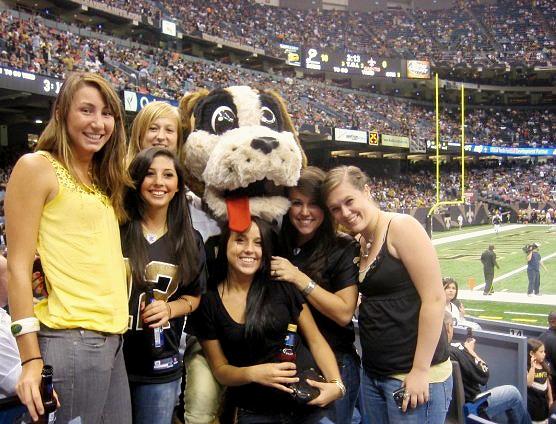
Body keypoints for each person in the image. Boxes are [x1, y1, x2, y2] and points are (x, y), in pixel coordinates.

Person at [5, 72, 132, 423]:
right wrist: (30, 359)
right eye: (86, 110)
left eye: (107, 113)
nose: (98, 122)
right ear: (61, 112)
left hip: (111, 341)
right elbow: (16, 266)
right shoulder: (38, 167)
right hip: (70, 340)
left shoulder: (100, 179)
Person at [323, 165, 452, 423]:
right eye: (335, 209)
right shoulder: (361, 241)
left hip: (411, 376)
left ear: (367, 191)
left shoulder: (402, 227)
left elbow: (435, 299)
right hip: (374, 375)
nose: (345, 213)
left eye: (349, 201)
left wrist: (419, 370)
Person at [186, 217, 345, 423]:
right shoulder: (208, 302)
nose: (249, 249)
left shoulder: (281, 286)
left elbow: (315, 340)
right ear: (225, 243)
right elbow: (220, 370)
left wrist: (337, 385)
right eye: (240, 240)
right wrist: (253, 373)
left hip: (307, 403)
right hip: (254, 409)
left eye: (258, 243)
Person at [121, 147, 207, 424]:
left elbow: (195, 297)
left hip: (159, 364)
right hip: (111, 361)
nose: (159, 182)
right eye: (150, 174)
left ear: (179, 185)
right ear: (136, 180)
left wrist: (170, 309)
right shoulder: (116, 228)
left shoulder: (190, 239)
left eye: (168, 175)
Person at [271, 166, 360, 423]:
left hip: (335, 361)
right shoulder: (279, 243)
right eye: (297, 203)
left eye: (314, 204)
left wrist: (298, 277)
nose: (305, 212)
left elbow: (344, 313)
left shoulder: (342, 247)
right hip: (288, 361)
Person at [444, 312, 532, 424]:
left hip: (448, 411)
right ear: (448, 328)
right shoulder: (457, 350)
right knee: (513, 393)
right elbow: (484, 375)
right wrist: (471, 352)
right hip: (472, 405)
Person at [527, 338, 553, 422]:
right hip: (533, 406)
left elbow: (548, 384)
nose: (544, 354)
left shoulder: (544, 366)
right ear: (532, 353)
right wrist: (532, 366)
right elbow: (529, 383)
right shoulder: (527, 367)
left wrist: (551, 400)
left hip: (544, 404)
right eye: (541, 352)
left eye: (544, 351)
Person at [539, 311, 556, 397]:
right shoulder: (553, 340)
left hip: (544, 378)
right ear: (554, 322)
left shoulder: (542, 336)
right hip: (552, 381)